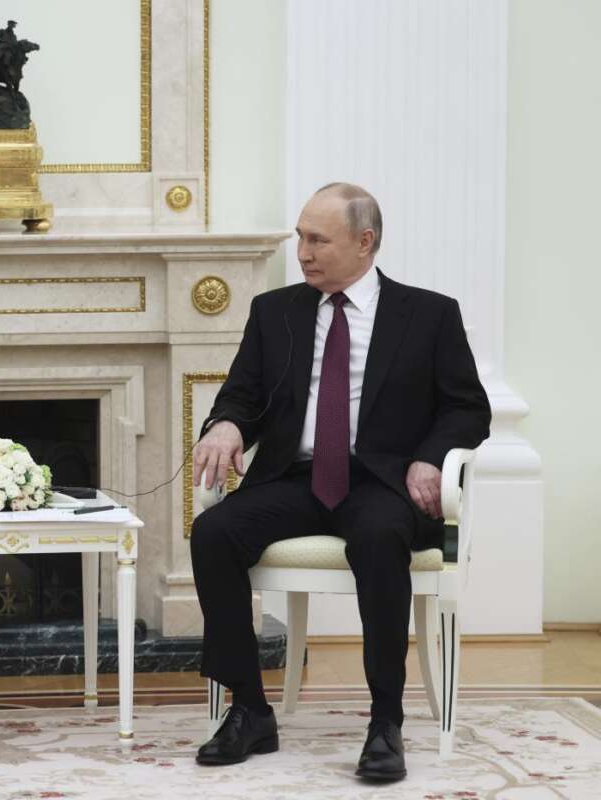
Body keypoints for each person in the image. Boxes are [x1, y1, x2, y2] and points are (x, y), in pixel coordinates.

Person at [189, 183, 491, 782]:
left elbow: (467, 408)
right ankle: (249, 709)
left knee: (379, 538)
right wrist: (225, 425)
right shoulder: (274, 312)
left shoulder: (429, 315)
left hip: (382, 483)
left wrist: (430, 457)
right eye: (301, 237)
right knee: (213, 532)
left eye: (318, 240)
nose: (302, 252)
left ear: (364, 242)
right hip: (295, 478)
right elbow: (243, 395)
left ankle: (384, 723)